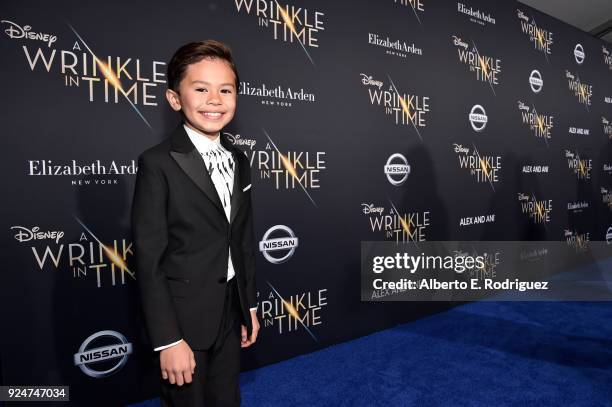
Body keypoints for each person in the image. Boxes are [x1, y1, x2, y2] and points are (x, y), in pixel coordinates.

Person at [132, 39, 259, 406]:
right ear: (175, 99)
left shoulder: (239, 158)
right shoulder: (157, 164)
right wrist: (168, 339)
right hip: (183, 318)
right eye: (200, 89)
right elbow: (149, 259)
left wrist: (248, 304)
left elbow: (243, 238)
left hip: (229, 309)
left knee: (226, 397)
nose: (214, 100)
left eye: (225, 90)